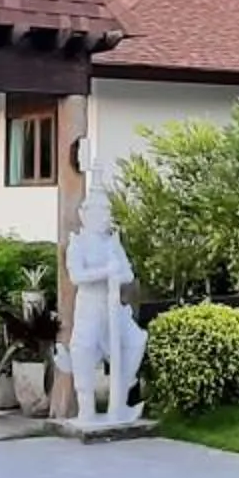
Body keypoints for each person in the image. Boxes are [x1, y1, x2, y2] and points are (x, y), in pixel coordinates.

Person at [60, 178, 145, 426]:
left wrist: (116, 273)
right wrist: (105, 272)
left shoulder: (112, 243)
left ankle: (119, 400)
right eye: (102, 212)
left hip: (113, 306)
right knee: (84, 350)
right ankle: (86, 409)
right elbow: (76, 277)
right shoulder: (79, 244)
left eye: (108, 211)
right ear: (85, 215)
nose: (106, 217)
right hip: (90, 305)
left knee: (135, 341)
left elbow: (128, 273)